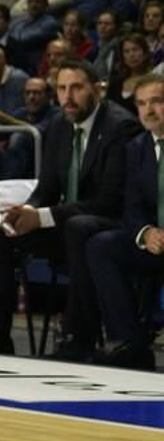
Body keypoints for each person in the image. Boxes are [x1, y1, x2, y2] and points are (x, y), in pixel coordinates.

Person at [0, 60, 139, 358]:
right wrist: (25, 210)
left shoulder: (120, 126)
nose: (68, 96)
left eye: (76, 88)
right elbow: (46, 190)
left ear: (97, 89)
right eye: (62, 89)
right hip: (66, 221)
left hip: (108, 225)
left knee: (79, 227)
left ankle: (78, 337)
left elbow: (109, 201)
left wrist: (44, 216)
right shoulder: (60, 124)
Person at [86, 74, 164, 370]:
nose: (148, 110)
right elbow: (131, 207)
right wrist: (146, 234)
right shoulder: (137, 147)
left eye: (156, 101)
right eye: (142, 104)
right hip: (155, 243)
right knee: (102, 246)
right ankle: (130, 343)